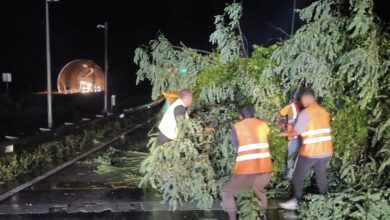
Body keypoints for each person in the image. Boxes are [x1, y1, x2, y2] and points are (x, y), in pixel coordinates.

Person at [278, 87, 333, 210]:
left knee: (298, 175)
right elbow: (328, 130)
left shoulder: (306, 113)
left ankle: (296, 201)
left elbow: (297, 131)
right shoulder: (324, 112)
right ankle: (326, 200)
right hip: (326, 150)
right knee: (321, 175)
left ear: (306, 99)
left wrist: (283, 134)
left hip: (311, 151)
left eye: (302, 99)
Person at [221, 104, 272, 220]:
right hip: (265, 170)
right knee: (259, 191)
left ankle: (233, 218)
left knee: (227, 192)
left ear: (240, 116)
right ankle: (262, 216)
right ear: (255, 114)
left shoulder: (237, 127)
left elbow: (237, 147)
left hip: (246, 171)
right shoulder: (263, 125)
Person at [279, 90, 303, 179]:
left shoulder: (290, 107)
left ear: (293, 98)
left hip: (293, 136)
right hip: (304, 136)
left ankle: (290, 175)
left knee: (291, 156)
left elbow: (281, 113)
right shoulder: (305, 106)